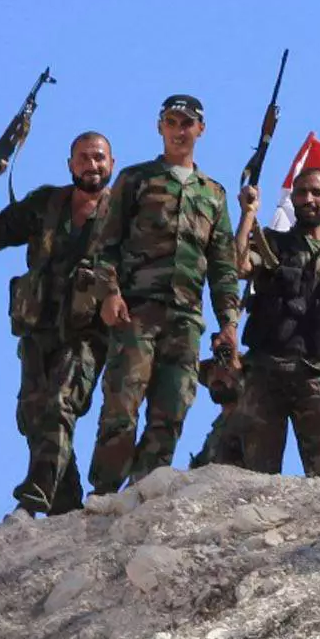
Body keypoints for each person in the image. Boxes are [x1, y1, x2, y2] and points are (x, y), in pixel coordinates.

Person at [76, 94, 242, 494]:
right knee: (122, 404)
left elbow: (222, 265)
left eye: (187, 123)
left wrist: (229, 325)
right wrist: (111, 294)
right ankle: (104, 493)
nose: (179, 130)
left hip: (186, 317)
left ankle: (146, 489)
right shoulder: (135, 180)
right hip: (137, 310)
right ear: (159, 126)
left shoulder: (212, 194)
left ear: (200, 130)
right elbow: (106, 245)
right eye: (171, 121)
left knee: (172, 407)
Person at [0, 128, 116, 516]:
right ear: (70, 165)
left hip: (87, 334)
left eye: (98, 157)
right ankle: (65, 510)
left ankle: (33, 498)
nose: (91, 165)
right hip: (38, 331)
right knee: (33, 418)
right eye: (82, 157)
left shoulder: (125, 214)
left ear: (111, 164)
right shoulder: (47, 203)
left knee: (59, 404)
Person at [208, 162, 320, 477]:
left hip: (317, 374)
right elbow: (238, 266)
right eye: (302, 192)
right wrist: (248, 214)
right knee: (257, 475)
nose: (308, 199)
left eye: (317, 193)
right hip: (266, 372)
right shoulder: (273, 244)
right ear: (292, 199)